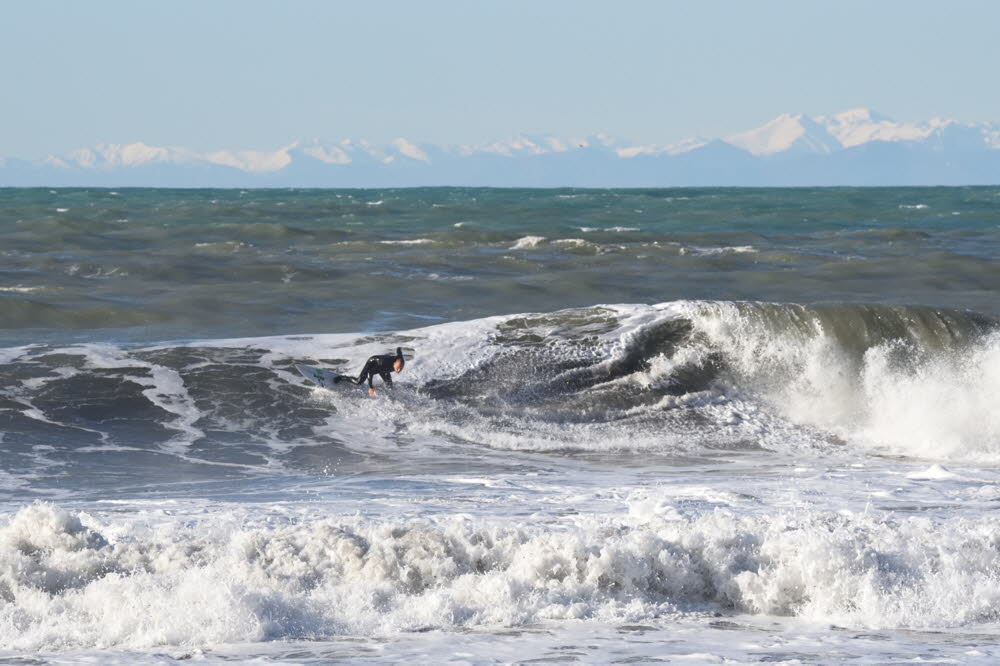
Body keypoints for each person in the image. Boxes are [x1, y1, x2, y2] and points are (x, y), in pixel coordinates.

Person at [335, 347, 405, 396]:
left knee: (390, 386)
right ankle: (342, 378)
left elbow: (399, 351)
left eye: (401, 368)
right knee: (358, 382)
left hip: (384, 367)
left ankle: (391, 397)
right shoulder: (384, 364)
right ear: (394, 364)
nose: (399, 370)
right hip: (373, 362)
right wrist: (371, 387)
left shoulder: (400, 359)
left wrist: (399, 348)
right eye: (398, 368)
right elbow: (370, 373)